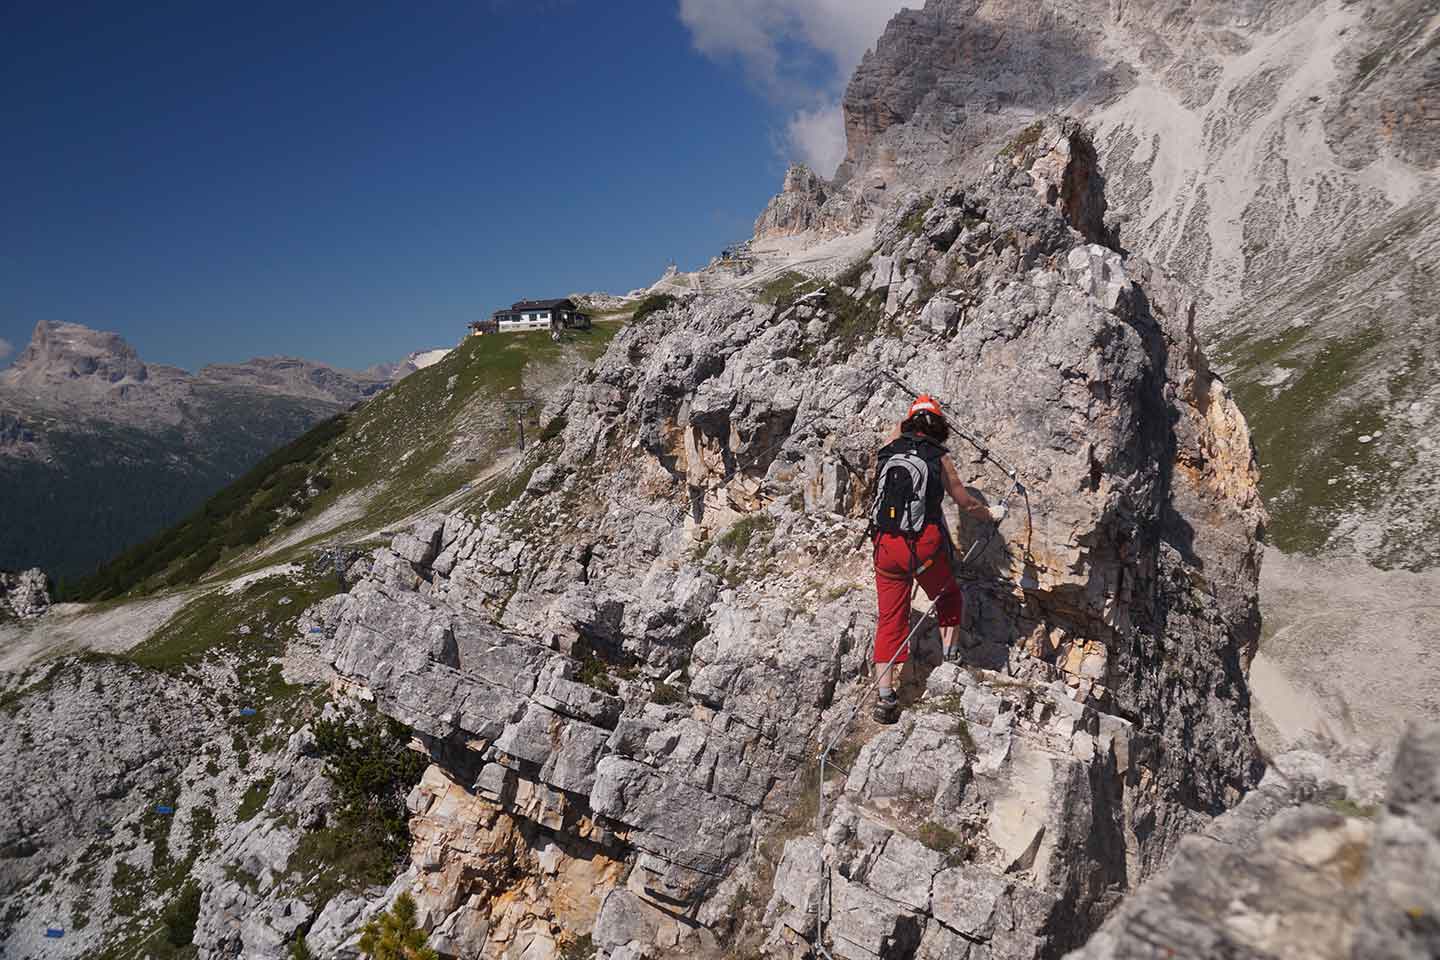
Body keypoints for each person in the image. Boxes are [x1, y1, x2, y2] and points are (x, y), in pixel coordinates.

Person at [869, 395, 1004, 724]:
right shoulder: (939, 457)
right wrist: (990, 514)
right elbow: (963, 501)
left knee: (890, 619)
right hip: (922, 548)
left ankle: (885, 699)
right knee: (947, 595)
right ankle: (951, 656)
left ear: (910, 422)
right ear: (940, 426)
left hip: (885, 545)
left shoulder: (889, 450)